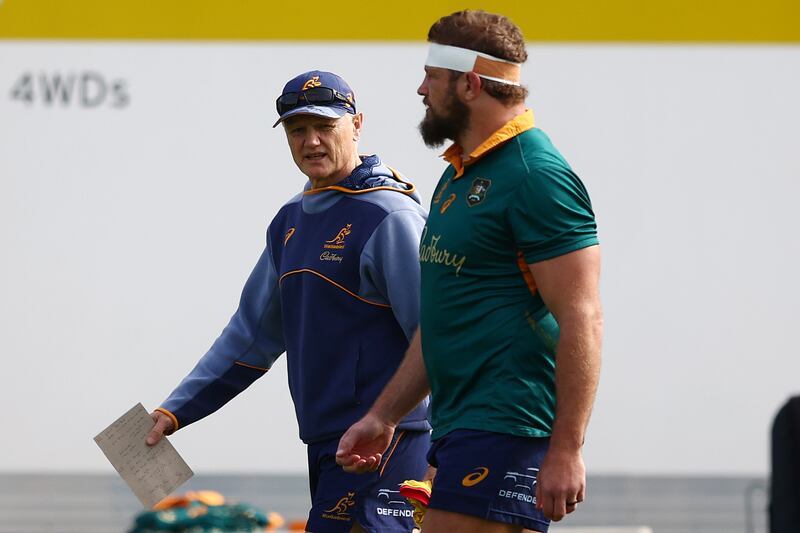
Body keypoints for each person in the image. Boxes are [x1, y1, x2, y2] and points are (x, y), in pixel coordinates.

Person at [336, 10, 603, 533]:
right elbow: (442, 322)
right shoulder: (458, 177)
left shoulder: (535, 175)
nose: (421, 89)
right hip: (461, 428)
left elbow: (583, 318)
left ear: (470, 84)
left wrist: (567, 448)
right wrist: (385, 415)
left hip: (507, 425)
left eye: (432, 78)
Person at [145, 70, 431, 533]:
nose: (311, 141)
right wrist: (175, 411)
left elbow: (440, 334)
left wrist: (435, 441)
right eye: (298, 130)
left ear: (357, 124)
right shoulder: (290, 221)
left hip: (389, 440)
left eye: (325, 126)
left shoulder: (391, 215)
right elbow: (251, 336)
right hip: (326, 443)